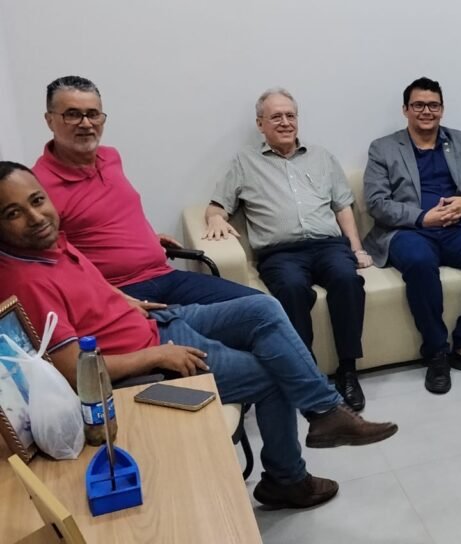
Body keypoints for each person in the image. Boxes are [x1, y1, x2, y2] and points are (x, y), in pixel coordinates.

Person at [0, 161, 398, 510]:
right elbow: (75, 372)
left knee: (262, 307)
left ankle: (325, 413)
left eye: (38, 200)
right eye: (13, 213)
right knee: (274, 376)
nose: (35, 217)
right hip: (151, 358)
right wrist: (157, 357)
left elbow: (85, 281)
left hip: (158, 321)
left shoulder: (52, 242)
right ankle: (288, 479)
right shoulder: (25, 280)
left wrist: (123, 300)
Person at [203, 88, 371, 410]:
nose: (285, 122)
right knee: (292, 288)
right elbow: (217, 206)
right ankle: (307, 375)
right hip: (281, 253)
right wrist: (214, 219)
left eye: (290, 115)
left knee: (347, 280)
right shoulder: (245, 162)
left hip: (328, 245)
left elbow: (342, 206)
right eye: (276, 116)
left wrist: (356, 248)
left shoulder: (322, 157)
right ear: (260, 124)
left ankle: (348, 371)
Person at [32, 75, 258, 308]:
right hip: (121, 293)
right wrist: (114, 298)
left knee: (262, 304)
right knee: (250, 318)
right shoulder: (37, 189)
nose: (86, 123)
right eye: (72, 114)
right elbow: (50, 268)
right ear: (49, 120)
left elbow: (112, 214)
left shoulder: (110, 157)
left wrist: (146, 238)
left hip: (164, 275)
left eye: (93, 114)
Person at [364, 77, 461, 394]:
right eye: (418, 105)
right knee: (419, 262)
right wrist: (422, 217)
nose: (426, 111)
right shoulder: (383, 148)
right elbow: (376, 203)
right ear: (405, 109)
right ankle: (436, 351)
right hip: (408, 231)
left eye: (433, 105)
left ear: (442, 109)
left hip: (455, 228)